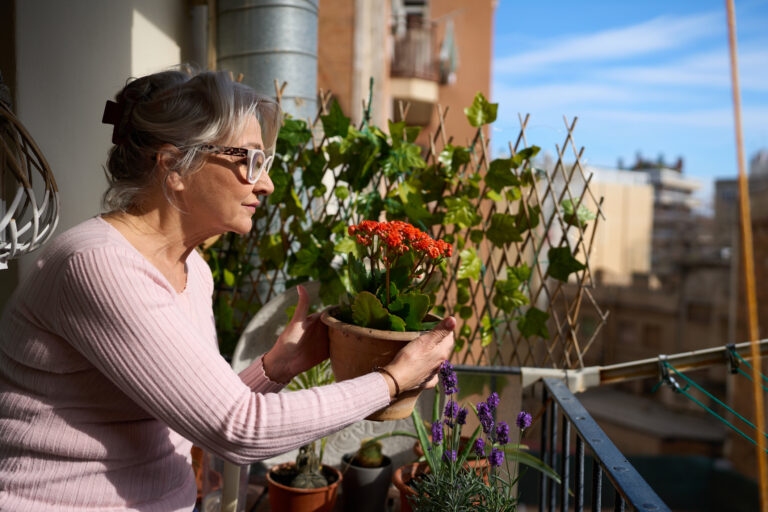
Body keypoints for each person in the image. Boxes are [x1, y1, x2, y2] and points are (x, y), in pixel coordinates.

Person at [0, 69, 455, 511]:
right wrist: (391, 381)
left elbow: (203, 415)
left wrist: (276, 368)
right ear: (175, 165)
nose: (267, 182)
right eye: (249, 159)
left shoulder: (192, 270)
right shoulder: (98, 266)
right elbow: (237, 430)